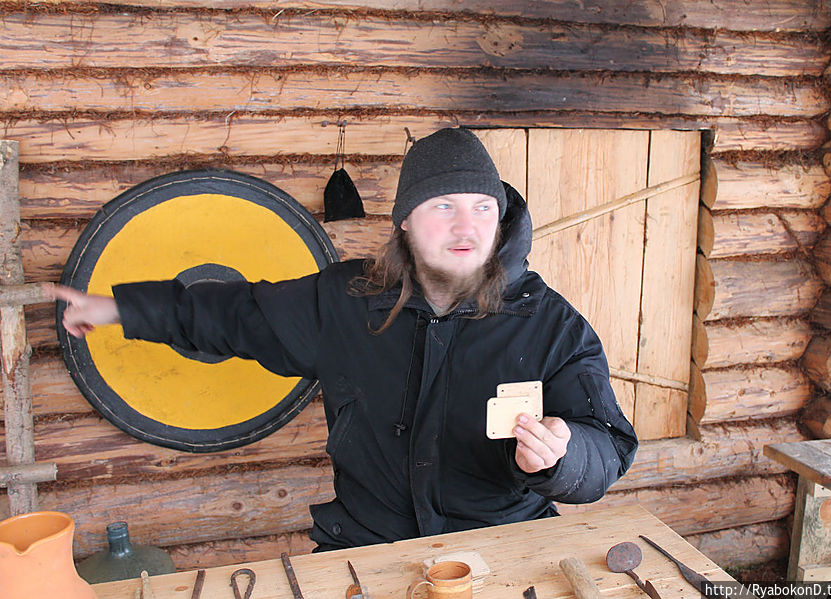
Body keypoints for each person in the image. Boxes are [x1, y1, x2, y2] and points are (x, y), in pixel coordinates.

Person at [48, 128, 638, 551]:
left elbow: (609, 447)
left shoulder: (549, 324)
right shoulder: (346, 300)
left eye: (483, 206)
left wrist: (563, 457)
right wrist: (120, 308)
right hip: (366, 546)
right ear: (405, 219)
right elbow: (231, 315)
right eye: (444, 205)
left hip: (505, 549)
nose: (467, 226)